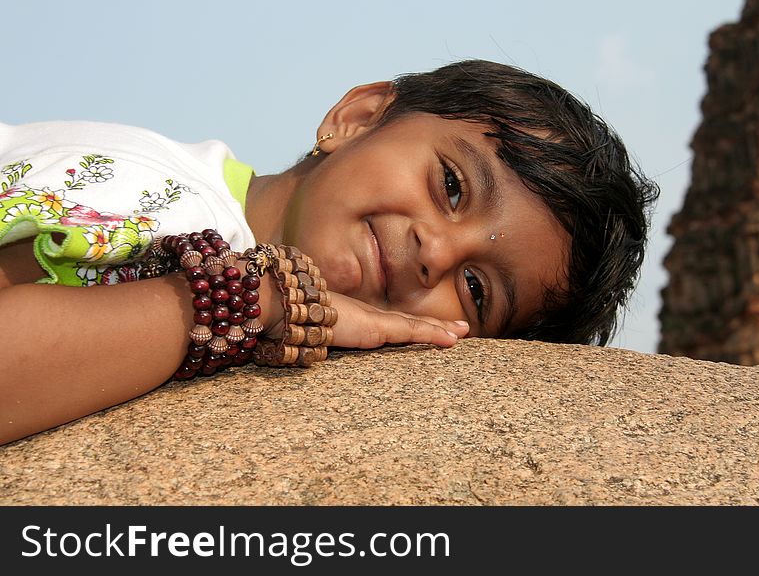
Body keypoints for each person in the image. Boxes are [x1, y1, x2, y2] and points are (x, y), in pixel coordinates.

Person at [0, 59, 658, 445]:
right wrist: (254, 298)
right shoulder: (165, 199)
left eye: (477, 290)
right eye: (451, 185)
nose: (437, 251)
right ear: (358, 117)